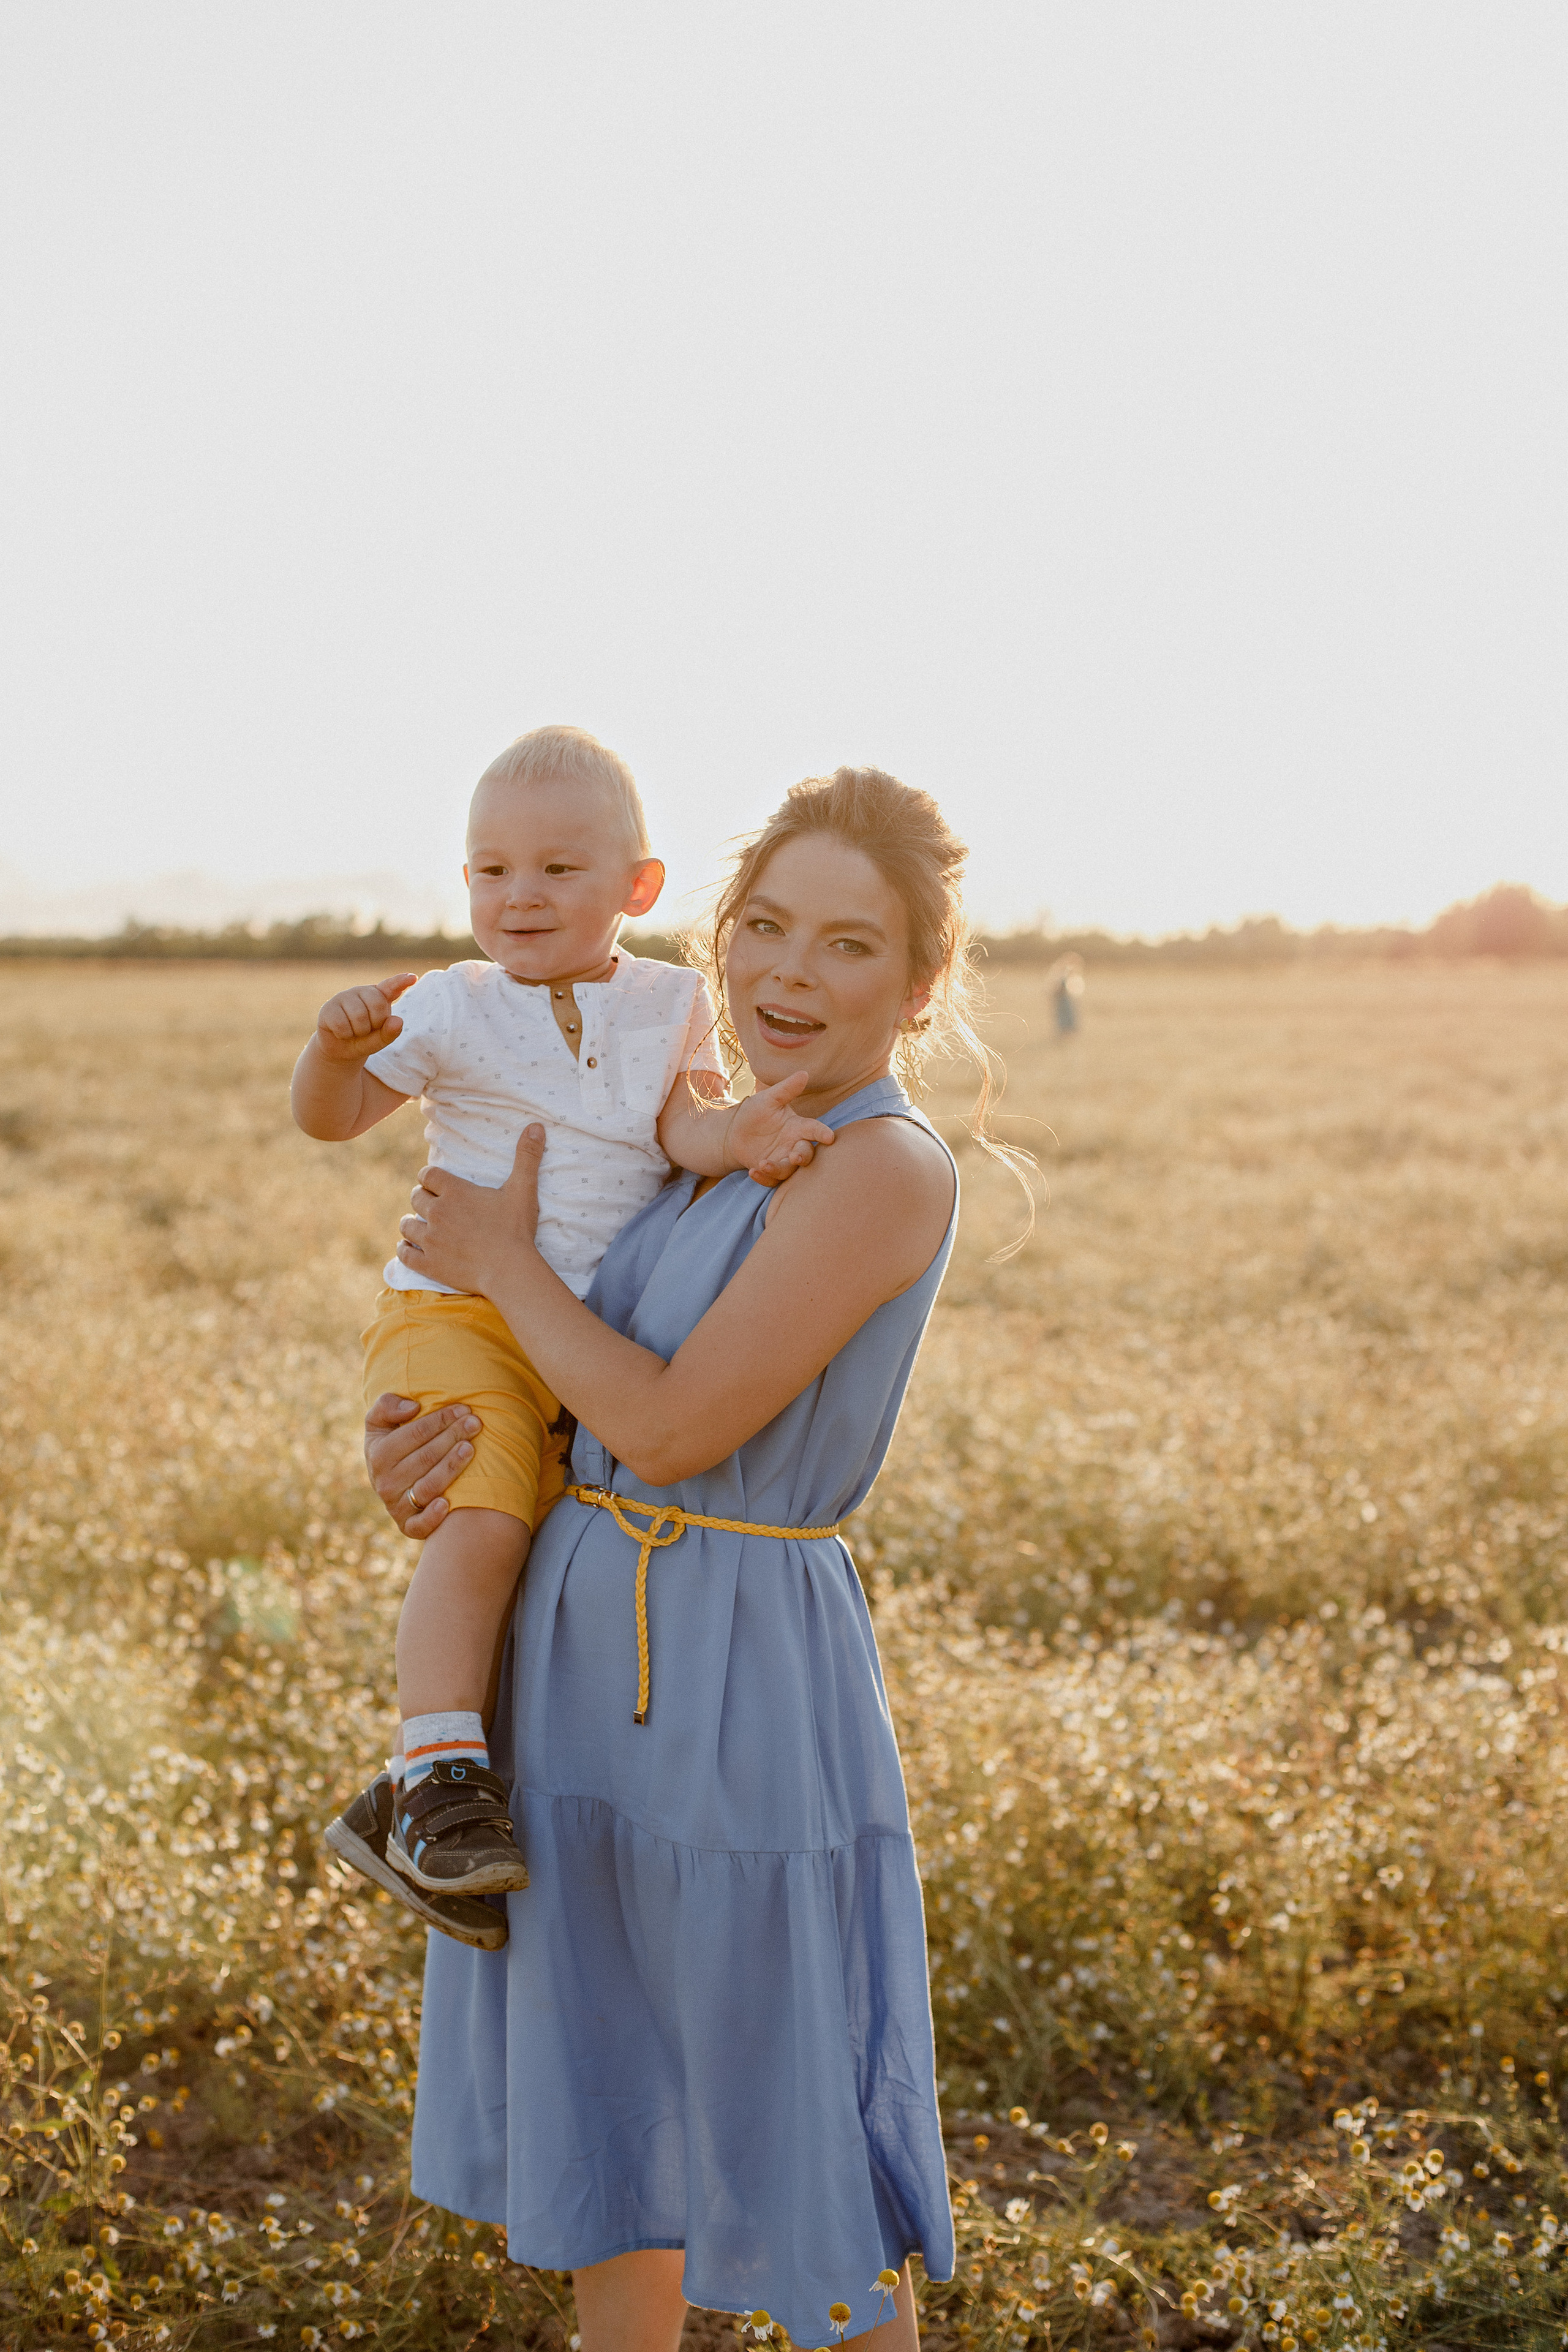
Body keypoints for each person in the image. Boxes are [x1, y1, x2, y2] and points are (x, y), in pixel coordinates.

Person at [362, 767, 1026, 2351]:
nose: (789, 975)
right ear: (715, 935)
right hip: (572, 1654)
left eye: (849, 946)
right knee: (618, 2140)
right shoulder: (712, 1134)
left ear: (921, 984)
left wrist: (505, 1265)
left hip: (734, 1670)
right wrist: (438, 1455)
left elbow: (665, 1427)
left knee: (794, 2132)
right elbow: (574, 1382)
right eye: (766, 928)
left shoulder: (880, 1165)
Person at [292, 726, 833, 1947]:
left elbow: (677, 1128)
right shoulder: (447, 1006)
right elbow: (334, 1122)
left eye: (555, 869)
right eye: (490, 871)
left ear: (636, 889)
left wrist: (742, 1135)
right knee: (482, 1522)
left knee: (539, 1545)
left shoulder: (667, 1002)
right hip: (461, 1310)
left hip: (574, 1324)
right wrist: (330, 1052)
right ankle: (432, 1774)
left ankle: (422, 1804)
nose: (517, 895)